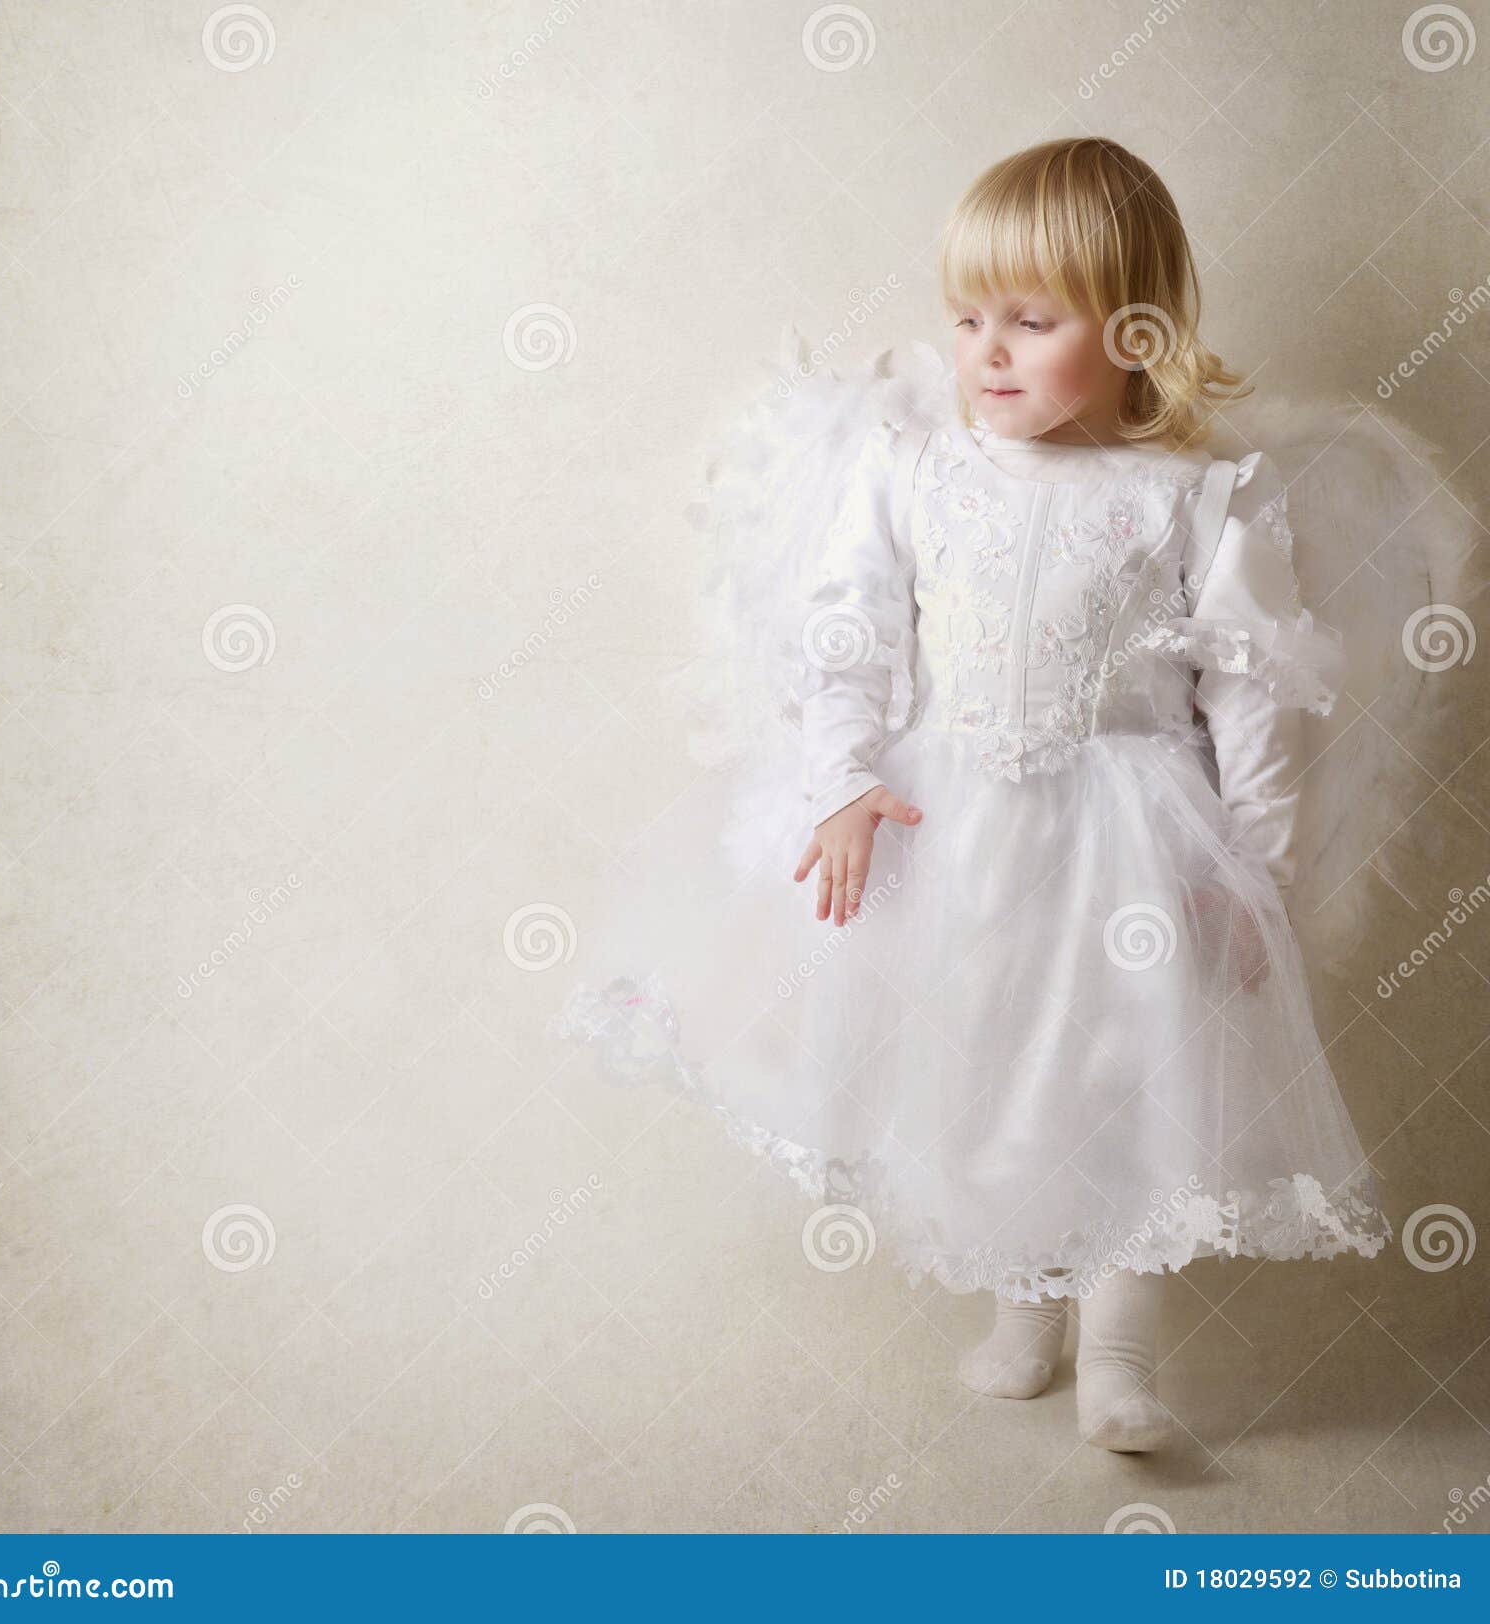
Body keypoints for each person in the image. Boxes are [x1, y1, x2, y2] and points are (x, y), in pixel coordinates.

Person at [553, 137, 1394, 1455]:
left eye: (1031, 320)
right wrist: (839, 780)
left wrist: (1258, 875)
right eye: (967, 319)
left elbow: (1254, 700)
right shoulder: (913, 471)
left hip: (1128, 840)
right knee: (992, 1063)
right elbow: (850, 633)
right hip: (952, 829)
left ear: (1134, 331)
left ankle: (1118, 1352)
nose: (987, 352)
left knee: (1118, 1079)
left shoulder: (1196, 502)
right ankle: (1025, 1304)